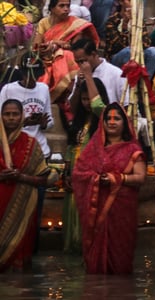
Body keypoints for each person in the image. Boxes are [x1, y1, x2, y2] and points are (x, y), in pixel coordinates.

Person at [72, 102, 146, 274]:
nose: (112, 122)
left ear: (125, 123)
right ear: (102, 122)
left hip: (122, 209)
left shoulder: (133, 149)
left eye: (117, 119)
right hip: (97, 208)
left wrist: (115, 178)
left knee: (120, 256)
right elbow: (78, 174)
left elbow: (140, 178)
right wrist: (96, 179)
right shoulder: (93, 149)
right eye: (108, 119)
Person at [0, 99, 49, 272]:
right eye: (7, 114)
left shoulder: (32, 144)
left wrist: (20, 177)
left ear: (22, 117)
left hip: (23, 208)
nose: (11, 118)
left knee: (19, 263)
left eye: (15, 114)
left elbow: (43, 180)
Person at [63, 74, 109, 254]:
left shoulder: (106, 120)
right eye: (83, 99)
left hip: (91, 174)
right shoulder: (79, 121)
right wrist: (66, 173)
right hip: (74, 174)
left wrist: (88, 75)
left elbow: (99, 107)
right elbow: (71, 146)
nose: (87, 103)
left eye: (89, 99)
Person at [33, 0, 99, 105]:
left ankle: (65, 91)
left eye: (68, 6)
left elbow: (76, 48)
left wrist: (60, 46)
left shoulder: (75, 24)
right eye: (61, 6)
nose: (66, 9)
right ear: (52, 9)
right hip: (46, 57)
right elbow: (36, 46)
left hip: (67, 57)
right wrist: (53, 43)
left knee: (65, 55)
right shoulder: (44, 22)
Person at [104, 0, 155, 77]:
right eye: (129, 0)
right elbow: (117, 46)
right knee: (128, 51)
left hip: (136, 53)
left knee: (154, 52)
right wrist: (125, 25)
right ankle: (127, 84)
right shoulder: (111, 21)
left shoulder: (139, 19)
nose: (133, 3)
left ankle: (144, 83)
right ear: (121, 2)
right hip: (117, 58)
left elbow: (146, 43)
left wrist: (135, 24)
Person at [71, 38, 127, 104]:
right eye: (77, 62)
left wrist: (88, 76)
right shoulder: (80, 75)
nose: (80, 65)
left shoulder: (116, 74)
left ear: (94, 54)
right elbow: (72, 107)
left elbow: (126, 103)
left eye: (83, 61)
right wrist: (78, 85)